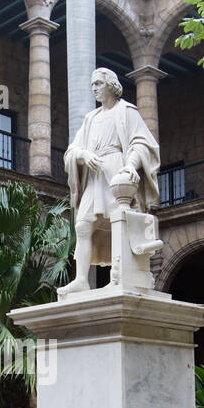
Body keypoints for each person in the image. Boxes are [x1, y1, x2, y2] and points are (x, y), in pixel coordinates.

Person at [59, 68, 161, 296]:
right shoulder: (91, 118)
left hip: (116, 170)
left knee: (120, 224)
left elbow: (142, 144)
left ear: (110, 85)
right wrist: (83, 155)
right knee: (83, 225)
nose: (94, 88)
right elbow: (72, 150)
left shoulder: (127, 112)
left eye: (98, 84)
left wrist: (130, 166)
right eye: (92, 85)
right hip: (94, 175)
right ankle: (82, 279)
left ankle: (120, 275)